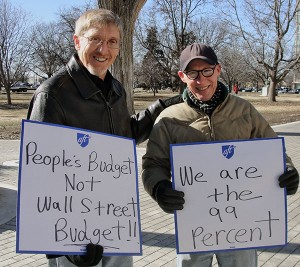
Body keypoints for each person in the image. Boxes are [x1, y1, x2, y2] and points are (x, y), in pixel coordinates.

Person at [27, 8, 182, 267]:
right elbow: (38, 176)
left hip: (116, 214)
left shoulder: (116, 90)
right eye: (95, 39)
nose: (103, 49)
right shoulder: (52, 95)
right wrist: (62, 245)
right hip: (73, 228)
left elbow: (124, 135)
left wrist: (161, 107)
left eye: (112, 42)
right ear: (77, 41)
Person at [141, 43, 299, 267]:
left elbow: (272, 149)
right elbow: (153, 164)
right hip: (193, 222)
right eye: (192, 73)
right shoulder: (169, 118)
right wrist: (159, 188)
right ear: (182, 76)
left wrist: (288, 169)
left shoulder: (244, 110)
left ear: (218, 70)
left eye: (206, 71)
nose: (201, 80)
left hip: (242, 222)